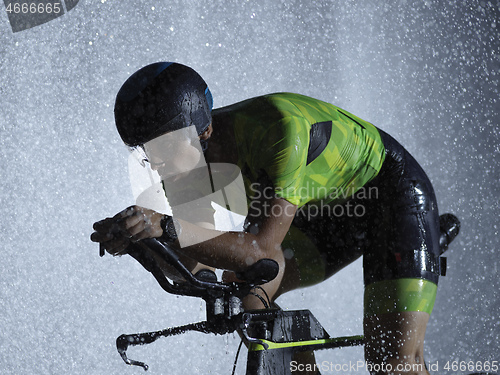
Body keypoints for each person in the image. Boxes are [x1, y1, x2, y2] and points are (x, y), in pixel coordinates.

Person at [91, 62, 460, 375]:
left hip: (391, 199)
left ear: (203, 132)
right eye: (147, 151)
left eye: (165, 147)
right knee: (244, 289)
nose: (157, 163)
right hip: (316, 212)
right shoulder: (183, 168)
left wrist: (166, 226)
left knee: (392, 362)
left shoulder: (277, 130)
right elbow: (197, 265)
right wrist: (142, 238)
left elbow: (263, 253)